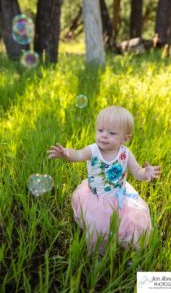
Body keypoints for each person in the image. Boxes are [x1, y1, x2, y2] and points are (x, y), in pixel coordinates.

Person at [47, 105, 161, 253]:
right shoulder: (93, 150)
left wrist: (146, 173)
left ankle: (129, 247)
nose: (104, 135)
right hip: (96, 199)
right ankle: (99, 253)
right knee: (98, 226)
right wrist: (66, 153)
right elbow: (79, 155)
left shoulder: (125, 153)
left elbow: (137, 171)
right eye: (100, 130)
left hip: (120, 197)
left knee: (132, 222)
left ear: (125, 138)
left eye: (112, 133)